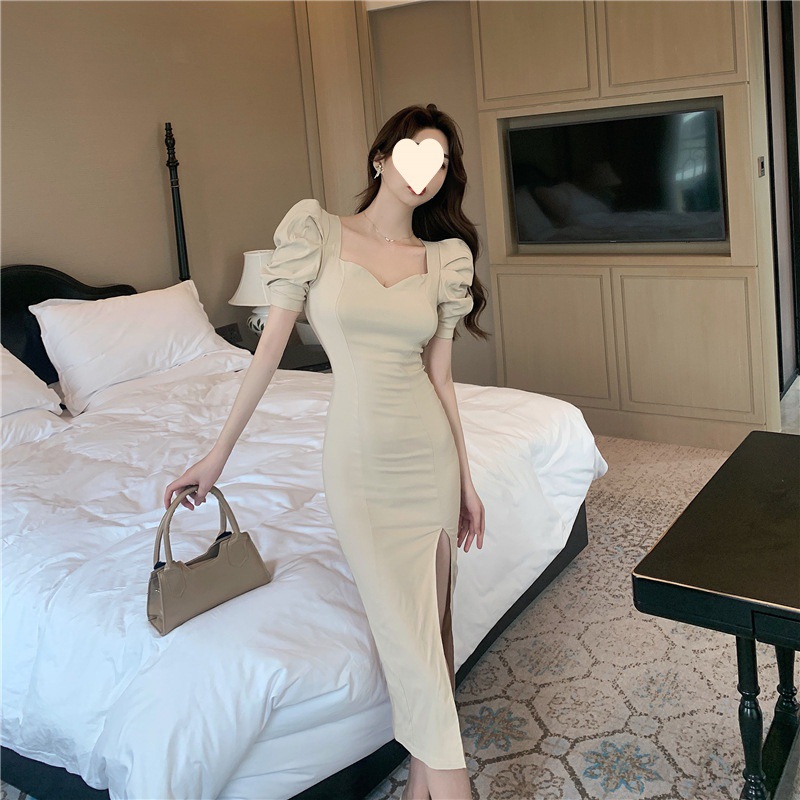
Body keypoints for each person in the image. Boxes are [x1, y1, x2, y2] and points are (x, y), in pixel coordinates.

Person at [164, 103, 489, 800]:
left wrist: (466, 482)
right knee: (412, 645)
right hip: (361, 466)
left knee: (430, 643)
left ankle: (422, 791)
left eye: (440, 164)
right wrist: (217, 455)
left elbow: (441, 379)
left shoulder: (445, 260)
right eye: (415, 154)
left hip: (429, 459)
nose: (425, 174)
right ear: (381, 157)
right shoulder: (316, 232)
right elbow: (266, 354)